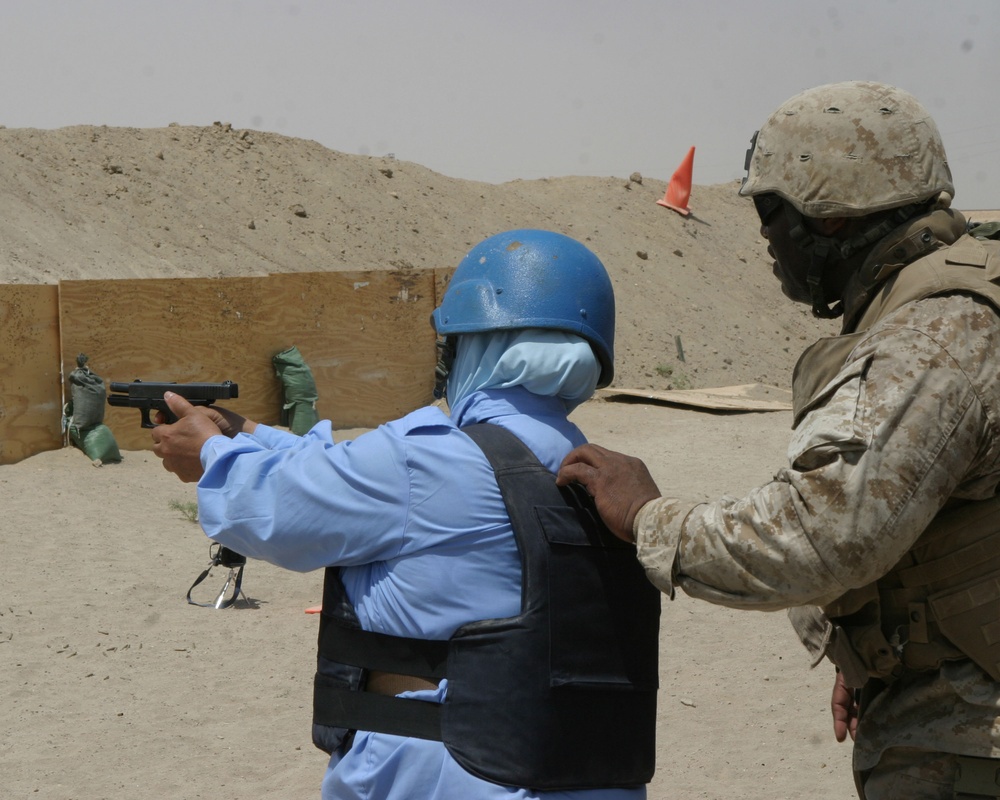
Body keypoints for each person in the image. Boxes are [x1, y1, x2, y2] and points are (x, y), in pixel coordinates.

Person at [557, 81, 1000, 800]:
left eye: (771, 213)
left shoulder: (930, 337)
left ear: (828, 222)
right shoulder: (951, 301)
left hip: (969, 735)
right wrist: (866, 649)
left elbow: (820, 536)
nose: (765, 239)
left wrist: (648, 518)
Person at [150, 228, 661, 800]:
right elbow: (352, 475)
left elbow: (277, 509)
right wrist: (248, 432)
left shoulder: (428, 457)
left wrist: (211, 454)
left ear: (480, 344)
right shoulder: (597, 472)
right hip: (569, 773)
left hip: (445, 776)